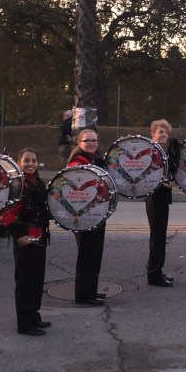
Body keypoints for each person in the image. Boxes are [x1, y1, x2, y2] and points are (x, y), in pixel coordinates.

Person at [0, 148, 52, 334]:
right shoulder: (17, 186)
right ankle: (25, 323)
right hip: (25, 240)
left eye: (34, 161)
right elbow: (6, 215)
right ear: (19, 163)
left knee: (37, 281)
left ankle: (34, 316)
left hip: (39, 237)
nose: (30, 164)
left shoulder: (37, 182)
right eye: (26, 161)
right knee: (25, 283)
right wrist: (18, 236)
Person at [68, 128, 107, 306]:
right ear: (80, 143)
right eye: (87, 141)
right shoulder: (77, 162)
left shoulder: (94, 160)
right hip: (84, 215)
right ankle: (83, 296)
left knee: (94, 255)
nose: (91, 143)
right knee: (86, 256)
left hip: (97, 213)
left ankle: (91, 290)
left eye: (94, 140)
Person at [146, 119, 177, 285]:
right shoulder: (151, 152)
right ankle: (154, 274)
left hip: (162, 196)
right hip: (154, 197)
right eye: (160, 132)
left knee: (160, 236)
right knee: (157, 237)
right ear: (153, 134)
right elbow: (146, 175)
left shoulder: (162, 151)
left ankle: (157, 270)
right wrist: (161, 183)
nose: (164, 135)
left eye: (166, 132)